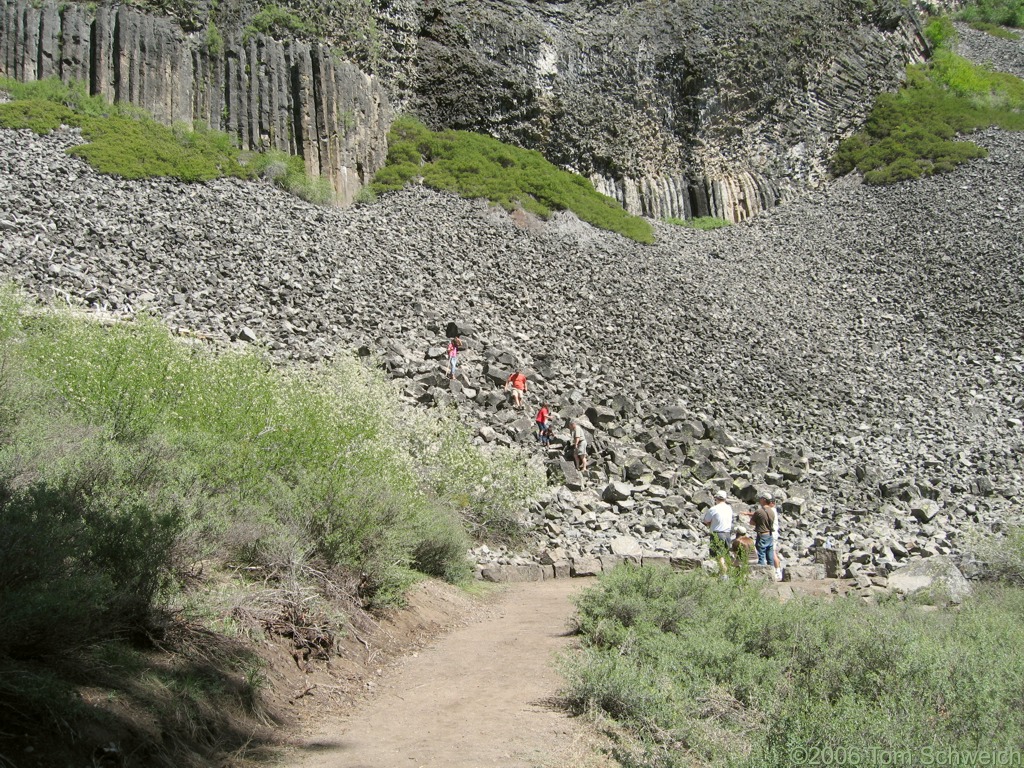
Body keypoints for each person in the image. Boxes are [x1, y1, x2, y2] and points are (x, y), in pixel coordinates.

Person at [702, 489, 734, 574]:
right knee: (725, 554)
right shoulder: (729, 508)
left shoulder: (714, 509)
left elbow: (706, 521)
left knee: (718, 555)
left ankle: (723, 575)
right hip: (727, 533)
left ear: (716, 498)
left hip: (717, 533)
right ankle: (726, 572)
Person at [748, 491, 777, 569]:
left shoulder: (759, 511)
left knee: (761, 555)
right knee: (770, 555)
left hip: (762, 535)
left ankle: (762, 573)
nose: (759, 500)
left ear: (764, 500)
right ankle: (772, 572)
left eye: (761, 498)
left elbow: (752, 523)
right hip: (770, 534)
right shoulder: (772, 511)